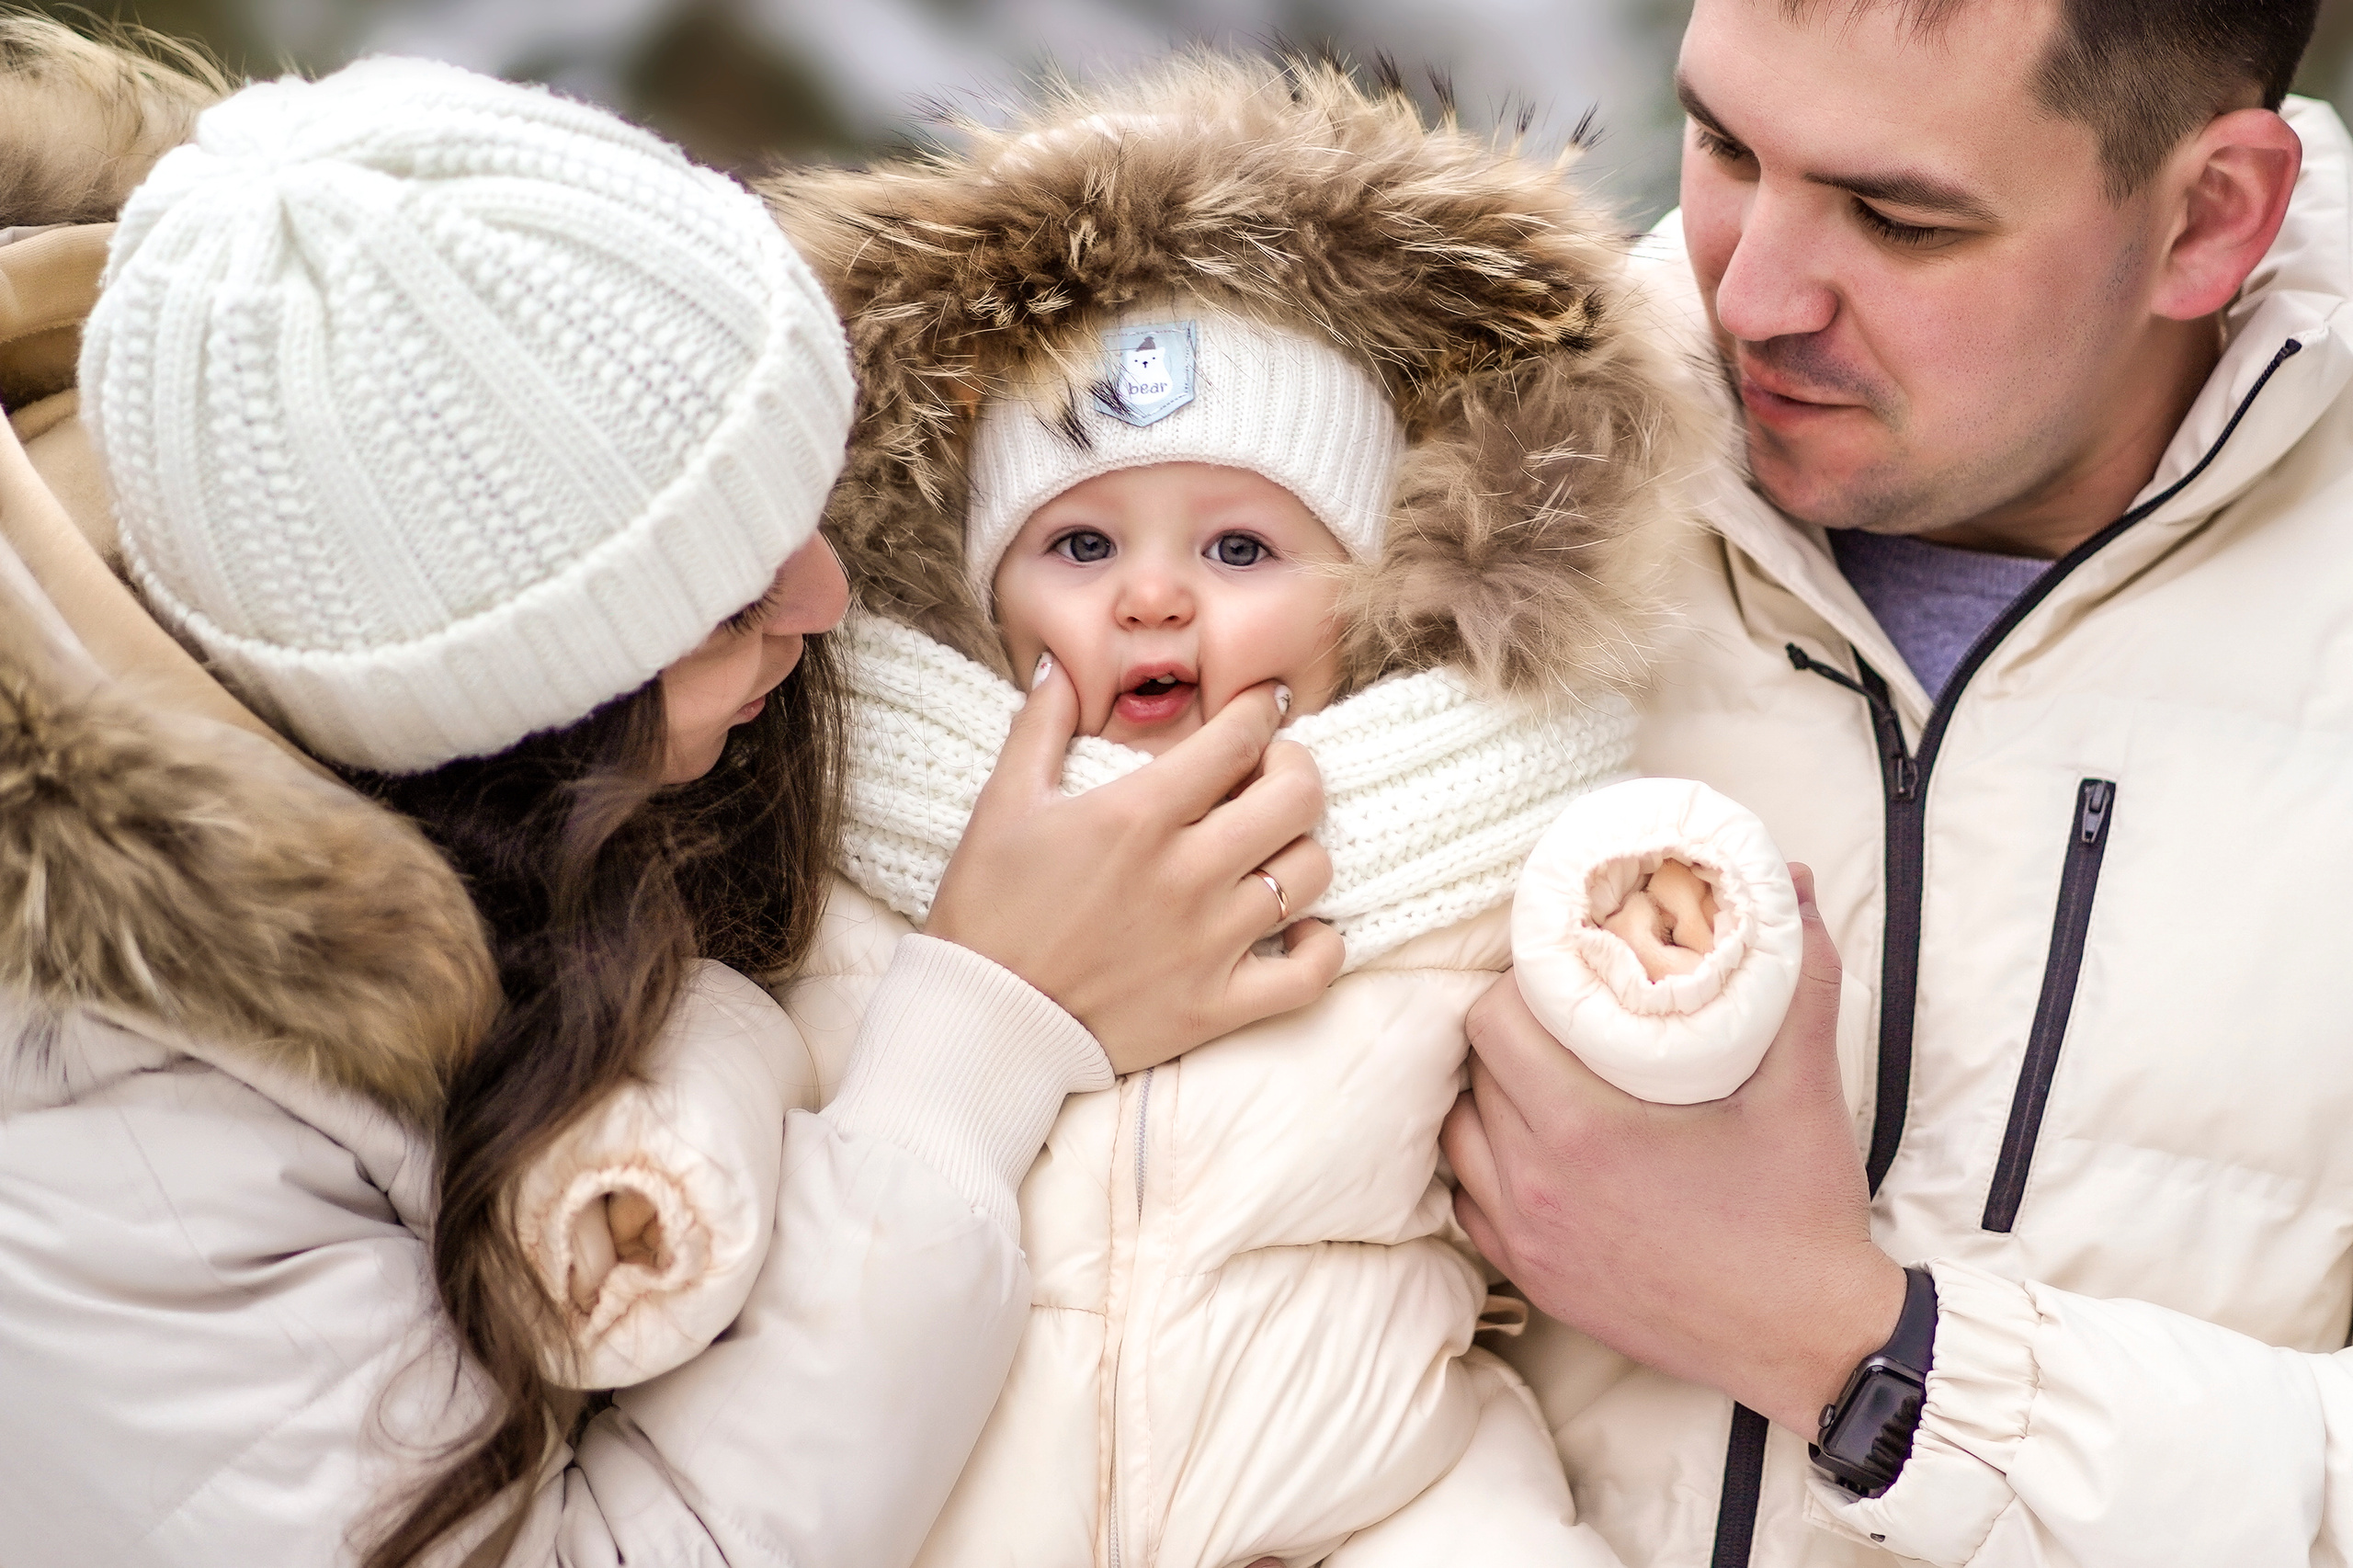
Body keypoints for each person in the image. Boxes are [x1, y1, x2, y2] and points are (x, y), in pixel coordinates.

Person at [0, 54, 1338, 1568]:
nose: (824, 600)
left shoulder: (336, 376)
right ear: (496, 729)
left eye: (804, 498)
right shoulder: (94, 1140)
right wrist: (980, 1041)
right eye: (723, 603)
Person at [750, 57, 1711, 1568]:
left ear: (1368, 604)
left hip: (1360, 1497)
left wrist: (1676, 955)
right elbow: (735, 1064)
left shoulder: (1468, 834)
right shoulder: (858, 836)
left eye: (1242, 549)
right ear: (985, 600)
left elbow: (1619, 1016)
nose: (1152, 596)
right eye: (1080, 544)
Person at [1443, 0, 2353, 1563]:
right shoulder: (1436, 489)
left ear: (2208, 216)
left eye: (1899, 218)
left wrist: (1864, 1355)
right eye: (1726, 146)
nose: (1751, 293)